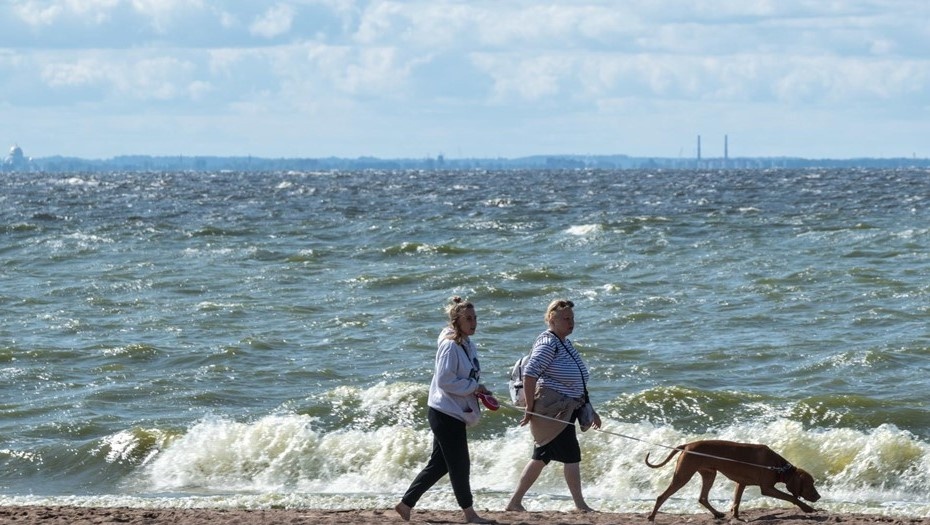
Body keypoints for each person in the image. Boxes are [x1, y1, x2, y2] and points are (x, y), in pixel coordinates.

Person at [395, 297, 494, 524]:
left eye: (475, 318)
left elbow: (466, 377)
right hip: (444, 412)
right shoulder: (450, 346)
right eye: (468, 319)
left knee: (439, 464)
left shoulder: (467, 344)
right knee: (460, 464)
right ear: (456, 321)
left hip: (453, 411)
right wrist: (473, 387)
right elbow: (444, 381)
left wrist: (481, 389)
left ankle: (405, 504)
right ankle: (470, 514)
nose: (473, 322)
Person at [506, 299, 602, 513]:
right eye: (566, 318)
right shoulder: (548, 343)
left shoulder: (564, 343)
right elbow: (530, 374)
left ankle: (514, 502)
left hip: (565, 409)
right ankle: (580, 505)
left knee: (542, 456)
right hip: (553, 411)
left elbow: (578, 380)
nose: (571, 322)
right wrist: (530, 408)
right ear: (552, 319)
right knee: (570, 455)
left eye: (572, 318)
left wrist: (591, 409)